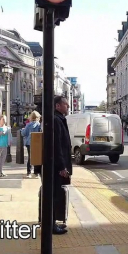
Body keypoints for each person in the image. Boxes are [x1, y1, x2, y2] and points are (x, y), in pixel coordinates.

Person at [52, 95, 72, 235]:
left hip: (57, 165)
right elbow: (57, 145)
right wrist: (61, 167)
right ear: (58, 106)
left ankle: (53, 222)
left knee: (56, 194)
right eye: (65, 104)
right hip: (56, 167)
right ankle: (51, 225)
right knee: (53, 196)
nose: (68, 106)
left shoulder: (59, 119)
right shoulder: (56, 120)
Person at [22, 111, 42, 177]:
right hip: (37, 143)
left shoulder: (28, 125)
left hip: (29, 143)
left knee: (30, 157)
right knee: (37, 157)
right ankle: (36, 172)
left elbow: (24, 133)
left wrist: (22, 130)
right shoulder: (39, 125)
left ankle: (29, 172)